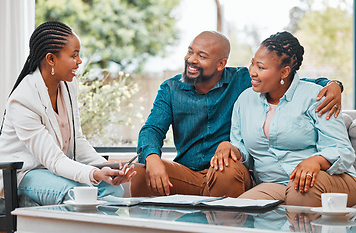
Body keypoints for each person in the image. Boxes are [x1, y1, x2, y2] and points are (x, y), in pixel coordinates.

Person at [130, 30, 343, 198]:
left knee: (226, 171)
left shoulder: (243, 81)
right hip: (189, 173)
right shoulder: (171, 88)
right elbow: (152, 129)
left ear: (221, 64)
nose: (191, 59)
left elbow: (290, 81)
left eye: (202, 56)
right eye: (190, 51)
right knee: (140, 173)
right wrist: (152, 157)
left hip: (229, 173)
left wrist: (333, 85)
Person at [0, 21, 136, 205]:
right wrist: (94, 173)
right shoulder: (23, 99)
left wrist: (107, 167)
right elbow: (54, 159)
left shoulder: (67, 85)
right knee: (79, 193)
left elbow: (77, 141)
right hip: (19, 174)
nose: (80, 61)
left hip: (50, 169)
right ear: (51, 59)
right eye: (74, 56)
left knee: (112, 187)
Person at [211, 31, 356, 207]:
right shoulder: (245, 100)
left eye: (261, 67)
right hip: (275, 184)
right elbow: (245, 153)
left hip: (327, 179)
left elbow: (342, 150)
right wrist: (231, 148)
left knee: (301, 188)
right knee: (238, 210)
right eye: (252, 64)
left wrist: (316, 161)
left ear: (284, 72)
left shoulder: (316, 97)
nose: (252, 72)